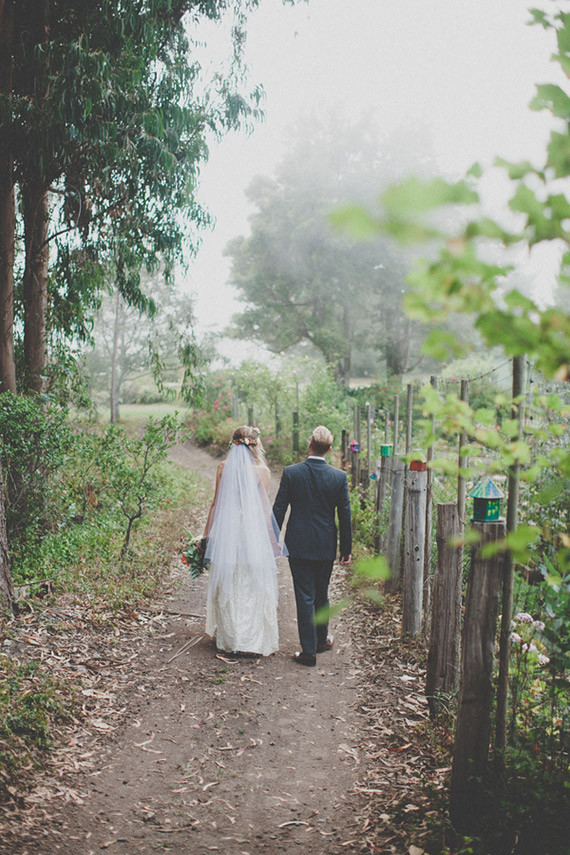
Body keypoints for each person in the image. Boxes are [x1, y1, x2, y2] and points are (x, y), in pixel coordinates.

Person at [272, 425, 352, 667]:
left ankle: (309, 650)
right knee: (321, 593)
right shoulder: (339, 477)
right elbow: (345, 516)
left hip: (298, 544)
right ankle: (319, 641)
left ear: (309, 445)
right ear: (329, 449)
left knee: (305, 595)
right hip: (326, 544)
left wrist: (271, 541)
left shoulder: (291, 473)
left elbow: (279, 509)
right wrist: (346, 549)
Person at [202, 425, 284, 656]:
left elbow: (215, 504)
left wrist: (206, 535)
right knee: (252, 579)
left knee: (230, 578)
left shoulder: (222, 467)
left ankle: (232, 637)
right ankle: (252, 639)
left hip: (229, 530)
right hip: (251, 531)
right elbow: (263, 509)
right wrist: (271, 539)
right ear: (255, 444)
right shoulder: (262, 471)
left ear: (234, 444)